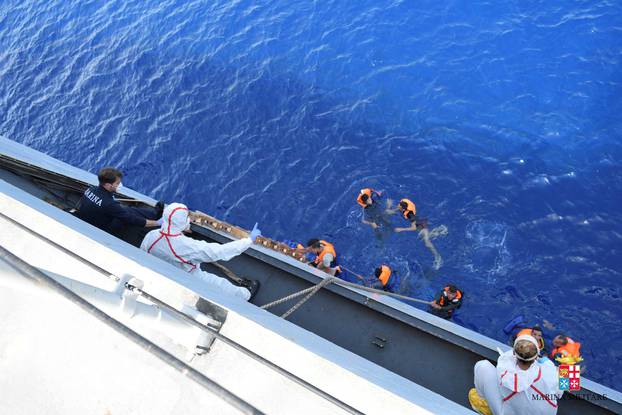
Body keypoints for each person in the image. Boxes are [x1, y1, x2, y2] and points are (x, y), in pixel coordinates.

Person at [140, 203, 260, 301]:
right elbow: (219, 251)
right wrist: (249, 241)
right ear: (182, 222)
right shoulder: (185, 245)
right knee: (220, 284)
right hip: (188, 275)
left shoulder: (151, 236)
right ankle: (246, 295)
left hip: (163, 272)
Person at [470, 334, 562, 415]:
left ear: (514, 352)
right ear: (536, 356)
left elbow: (507, 358)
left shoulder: (505, 368)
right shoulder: (548, 369)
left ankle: (484, 403)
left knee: (482, 366)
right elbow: (562, 391)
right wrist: (556, 366)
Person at [75, 167, 162, 235]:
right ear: (108, 185)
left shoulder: (91, 189)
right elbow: (131, 219)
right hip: (102, 228)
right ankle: (156, 216)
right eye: (117, 183)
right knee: (129, 212)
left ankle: (155, 214)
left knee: (123, 210)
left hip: (89, 219)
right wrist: (157, 223)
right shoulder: (109, 204)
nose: (119, 185)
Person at [388, 197, 444, 269]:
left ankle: (438, 257)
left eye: (400, 207)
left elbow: (413, 228)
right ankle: (440, 230)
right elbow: (394, 210)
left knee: (427, 243)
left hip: (422, 226)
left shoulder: (410, 215)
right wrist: (389, 206)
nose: (398, 206)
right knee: (424, 237)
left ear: (404, 209)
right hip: (420, 222)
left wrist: (401, 229)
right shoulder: (403, 202)